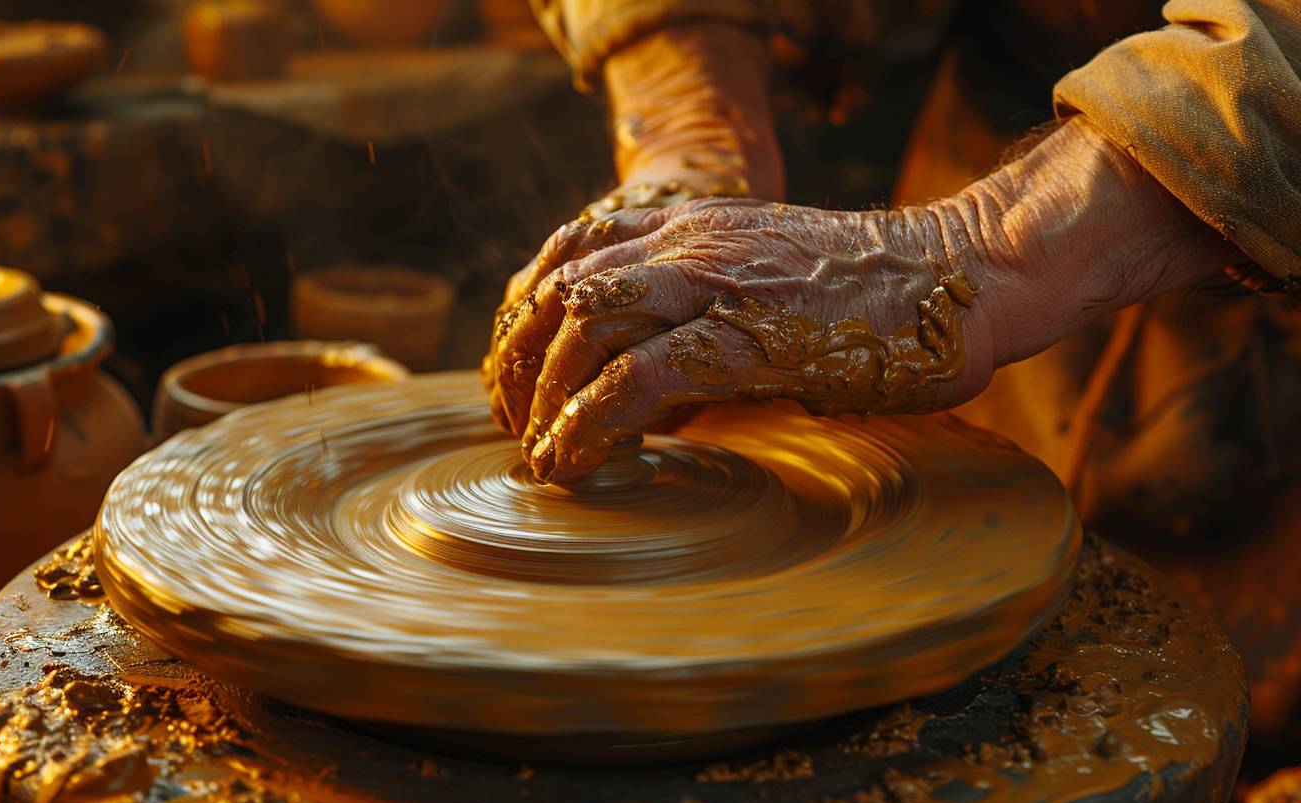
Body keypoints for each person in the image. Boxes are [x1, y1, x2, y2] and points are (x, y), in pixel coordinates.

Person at [482, 0, 1301, 733]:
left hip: (1251, 182)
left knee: (1212, 707)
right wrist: (694, 131)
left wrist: (980, 247)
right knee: (988, 619)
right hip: (1025, 108)